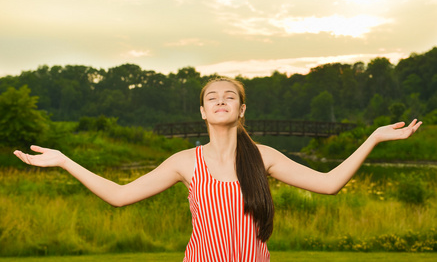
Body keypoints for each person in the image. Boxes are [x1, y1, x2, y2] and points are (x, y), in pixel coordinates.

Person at [14, 77, 422, 262]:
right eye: (213, 97)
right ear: (203, 111)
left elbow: (330, 184)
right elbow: (120, 195)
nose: (221, 100)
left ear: (242, 110)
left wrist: (373, 138)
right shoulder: (184, 162)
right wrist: (66, 161)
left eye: (231, 96)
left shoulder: (263, 157)